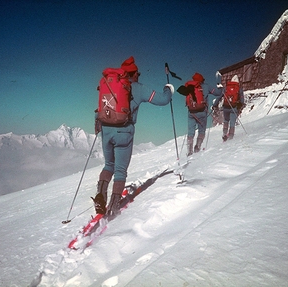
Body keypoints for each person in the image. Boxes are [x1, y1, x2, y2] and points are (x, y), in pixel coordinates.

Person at [93, 56, 174, 217]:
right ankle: (114, 206)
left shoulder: (109, 83)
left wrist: (98, 126)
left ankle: (100, 196)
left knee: (109, 164)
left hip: (106, 130)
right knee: (120, 170)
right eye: (138, 73)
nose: (139, 76)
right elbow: (163, 100)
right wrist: (168, 88)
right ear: (134, 73)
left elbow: (101, 107)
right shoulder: (139, 88)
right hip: (124, 131)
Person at [179, 72, 221, 156]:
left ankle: (189, 151)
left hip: (191, 113)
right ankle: (197, 146)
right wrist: (220, 88)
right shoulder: (206, 86)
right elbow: (218, 93)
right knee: (201, 130)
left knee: (191, 132)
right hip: (202, 112)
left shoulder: (189, 86)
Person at [212, 75, 244, 141]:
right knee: (232, 123)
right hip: (233, 108)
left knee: (226, 121)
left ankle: (224, 134)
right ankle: (230, 137)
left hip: (226, 107)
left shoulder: (226, 88)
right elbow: (242, 100)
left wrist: (215, 105)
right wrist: (240, 106)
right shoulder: (239, 88)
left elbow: (219, 97)